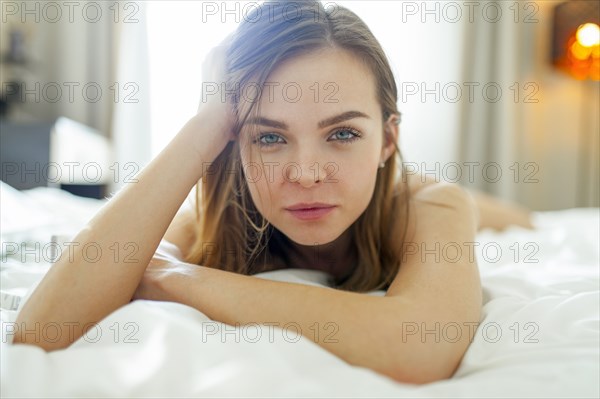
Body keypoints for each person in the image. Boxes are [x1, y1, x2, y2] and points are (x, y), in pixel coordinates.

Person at [13, 0, 533, 385]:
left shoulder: (428, 204)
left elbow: (421, 345)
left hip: (411, 195)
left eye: (343, 134)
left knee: (505, 216)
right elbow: (41, 331)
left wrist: (175, 277)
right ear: (236, 143)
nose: (306, 174)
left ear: (387, 138)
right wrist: (209, 121)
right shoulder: (218, 214)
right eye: (269, 137)